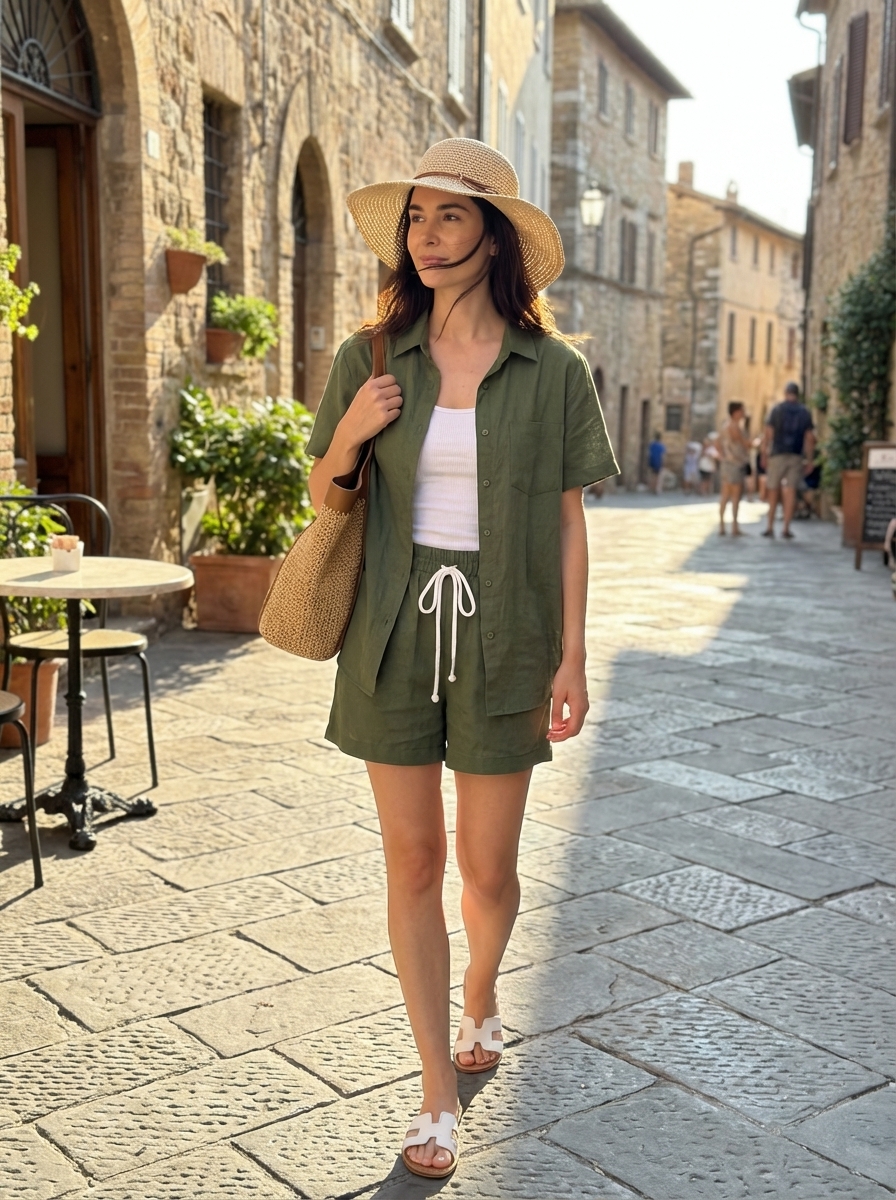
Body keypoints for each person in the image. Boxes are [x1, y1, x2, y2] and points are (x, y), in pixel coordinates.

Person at [306, 138, 617, 1180]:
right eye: (416, 219)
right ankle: (436, 1090)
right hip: (390, 634)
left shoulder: (554, 369)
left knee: (486, 873)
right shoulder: (370, 358)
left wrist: (571, 656)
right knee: (412, 864)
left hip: (506, 636)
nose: (427, 237)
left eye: (449, 217)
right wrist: (348, 434)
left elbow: (569, 523)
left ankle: (482, 991)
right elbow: (325, 499)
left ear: (492, 238)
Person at [761, 382, 815, 540]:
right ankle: (786, 528)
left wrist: (764, 454)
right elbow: (809, 438)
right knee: (790, 491)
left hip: (777, 454)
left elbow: (768, 433)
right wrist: (809, 460)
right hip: (796, 455)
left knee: (773, 490)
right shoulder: (805, 412)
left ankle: (770, 527)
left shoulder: (777, 410)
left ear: (786, 393)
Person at [718, 401, 751, 535]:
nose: (744, 413)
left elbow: (717, 442)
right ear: (736, 412)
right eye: (742, 410)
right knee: (735, 497)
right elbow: (745, 444)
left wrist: (723, 456)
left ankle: (722, 526)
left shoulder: (725, 426)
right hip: (735, 464)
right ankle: (734, 527)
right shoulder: (734, 427)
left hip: (728, 463)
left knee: (725, 496)